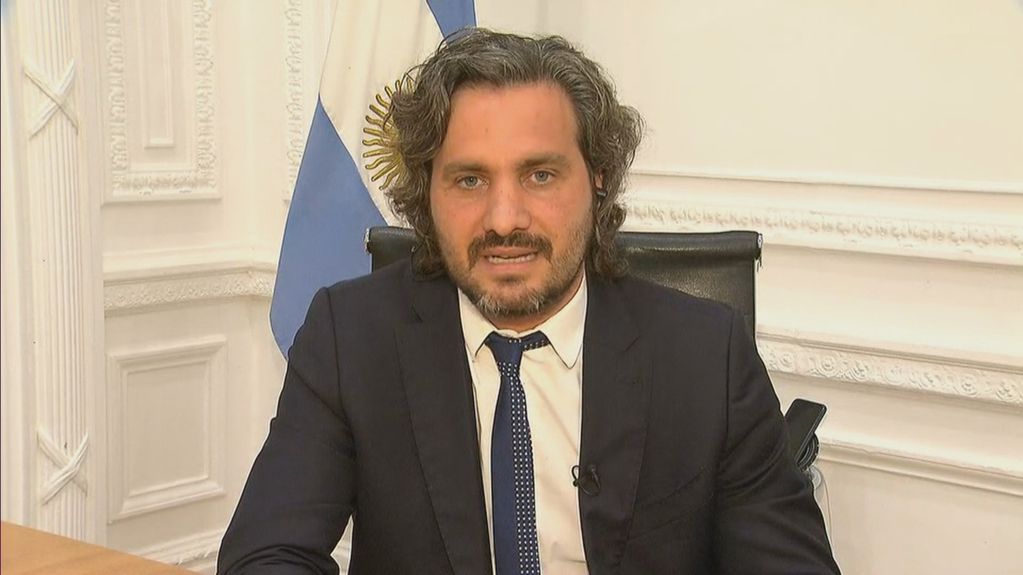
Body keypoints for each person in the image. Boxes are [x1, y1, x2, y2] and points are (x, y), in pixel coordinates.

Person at [218, 29, 840, 575]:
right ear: (426, 191)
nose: (504, 219)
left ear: (598, 177)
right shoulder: (349, 337)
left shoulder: (706, 355)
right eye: (469, 180)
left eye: (540, 175)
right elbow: (267, 555)